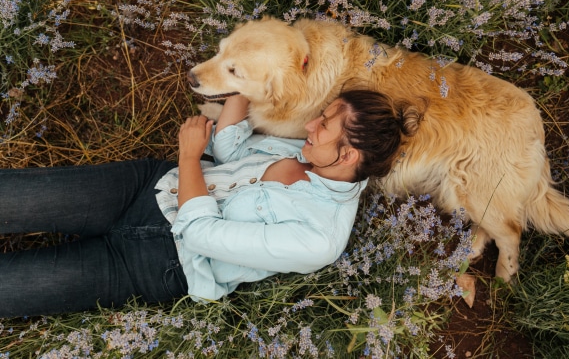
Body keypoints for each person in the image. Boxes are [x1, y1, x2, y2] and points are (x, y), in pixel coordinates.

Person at [0, 90, 420, 318]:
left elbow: (200, 233)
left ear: (347, 157)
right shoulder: (309, 152)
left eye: (324, 125)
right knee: (11, 198)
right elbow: (230, 152)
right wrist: (243, 83)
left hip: (158, 263)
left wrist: (188, 156)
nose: (310, 124)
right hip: (148, 187)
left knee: (10, 288)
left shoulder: (320, 238)